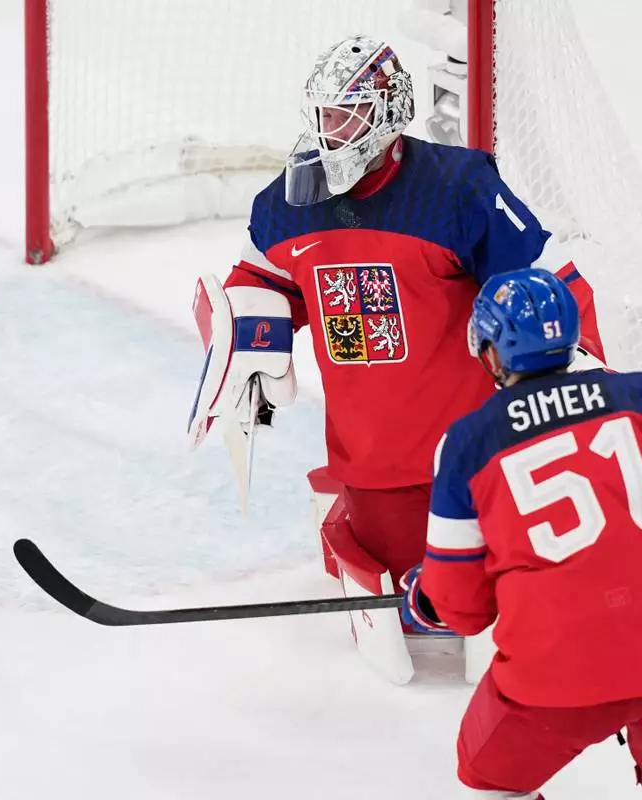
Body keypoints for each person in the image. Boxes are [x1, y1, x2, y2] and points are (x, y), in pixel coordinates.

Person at [195, 34, 605, 586]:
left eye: (347, 117)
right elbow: (262, 282)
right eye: (324, 117)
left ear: (387, 115)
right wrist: (248, 338)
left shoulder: (455, 187)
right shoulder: (287, 202)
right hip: (368, 462)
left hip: (470, 452)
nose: (330, 133)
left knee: (483, 588)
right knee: (410, 579)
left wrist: (581, 370)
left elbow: (544, 280)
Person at [400, 268, 642, 798]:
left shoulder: (468, 443)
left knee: (486, 774)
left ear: (491, 353)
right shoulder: (637, 394)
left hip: (558, 675)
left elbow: (464, 610)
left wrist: (428, 597)